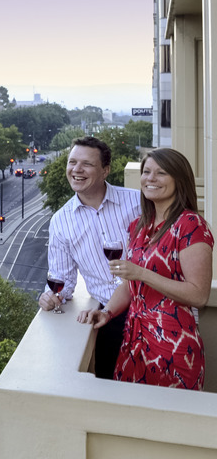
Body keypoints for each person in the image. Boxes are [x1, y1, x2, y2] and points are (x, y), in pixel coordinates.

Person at [80, 148, 213, 389]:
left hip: (172, 345)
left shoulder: (190, 224)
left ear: (179, 180)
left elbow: (199, 294)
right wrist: (107, 312)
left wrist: (141, 273)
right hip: (133, 341)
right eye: (147, 172)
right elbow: (130, 287)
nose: (150, 178)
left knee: (168, 421)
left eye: (161, 173)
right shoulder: (139, 226)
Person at [39, 136, 141, 378]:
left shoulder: (137, 202)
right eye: (72, 162)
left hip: (153, 309)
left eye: (86, 164)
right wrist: (51, 296)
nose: (77, 169)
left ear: (105, 170)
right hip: (110, 318)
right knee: (112, 391)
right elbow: (61, 279)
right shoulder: (61, 221)